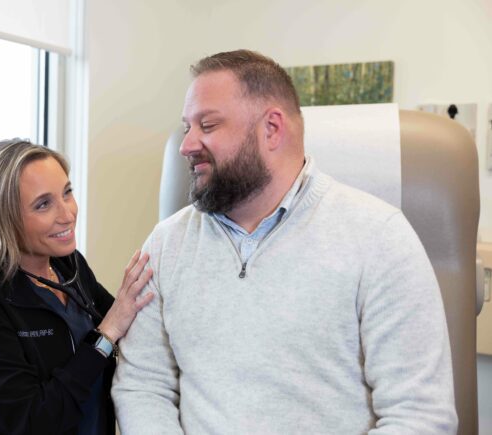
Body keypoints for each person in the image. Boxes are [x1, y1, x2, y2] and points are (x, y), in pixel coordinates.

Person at [112, 50, 457, 434]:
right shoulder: (166, 244)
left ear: (272, 129)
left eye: (207, 125)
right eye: (187, 126)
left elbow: (420, 417)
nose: (186, 145)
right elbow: (143, 384)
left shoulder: (379, 238)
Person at [0, 139, 153, 435]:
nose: (67, 214)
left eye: (67, 193)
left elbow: (128, 325)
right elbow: (31, 420)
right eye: (43, 204)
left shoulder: (68, 265)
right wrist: (105, 337)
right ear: (3, 219)